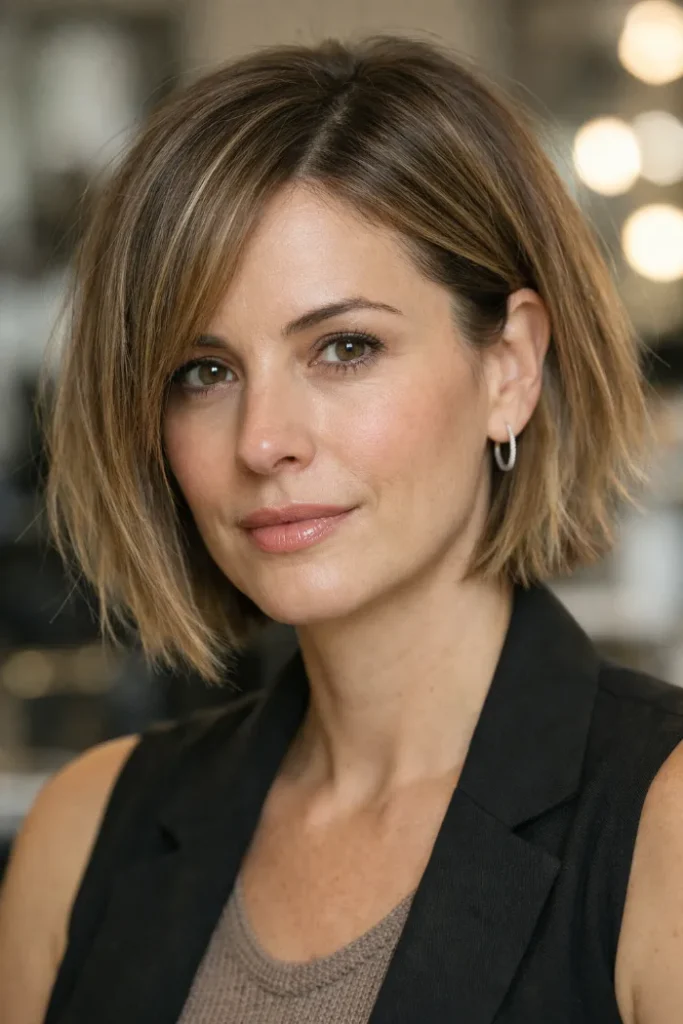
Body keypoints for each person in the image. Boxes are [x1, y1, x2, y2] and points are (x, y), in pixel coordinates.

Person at [0, 32, 681, 1024]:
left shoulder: (661, 824)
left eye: (344, 348)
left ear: (509, 368)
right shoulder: (83, 837)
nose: (262, 440)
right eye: (204, 372)